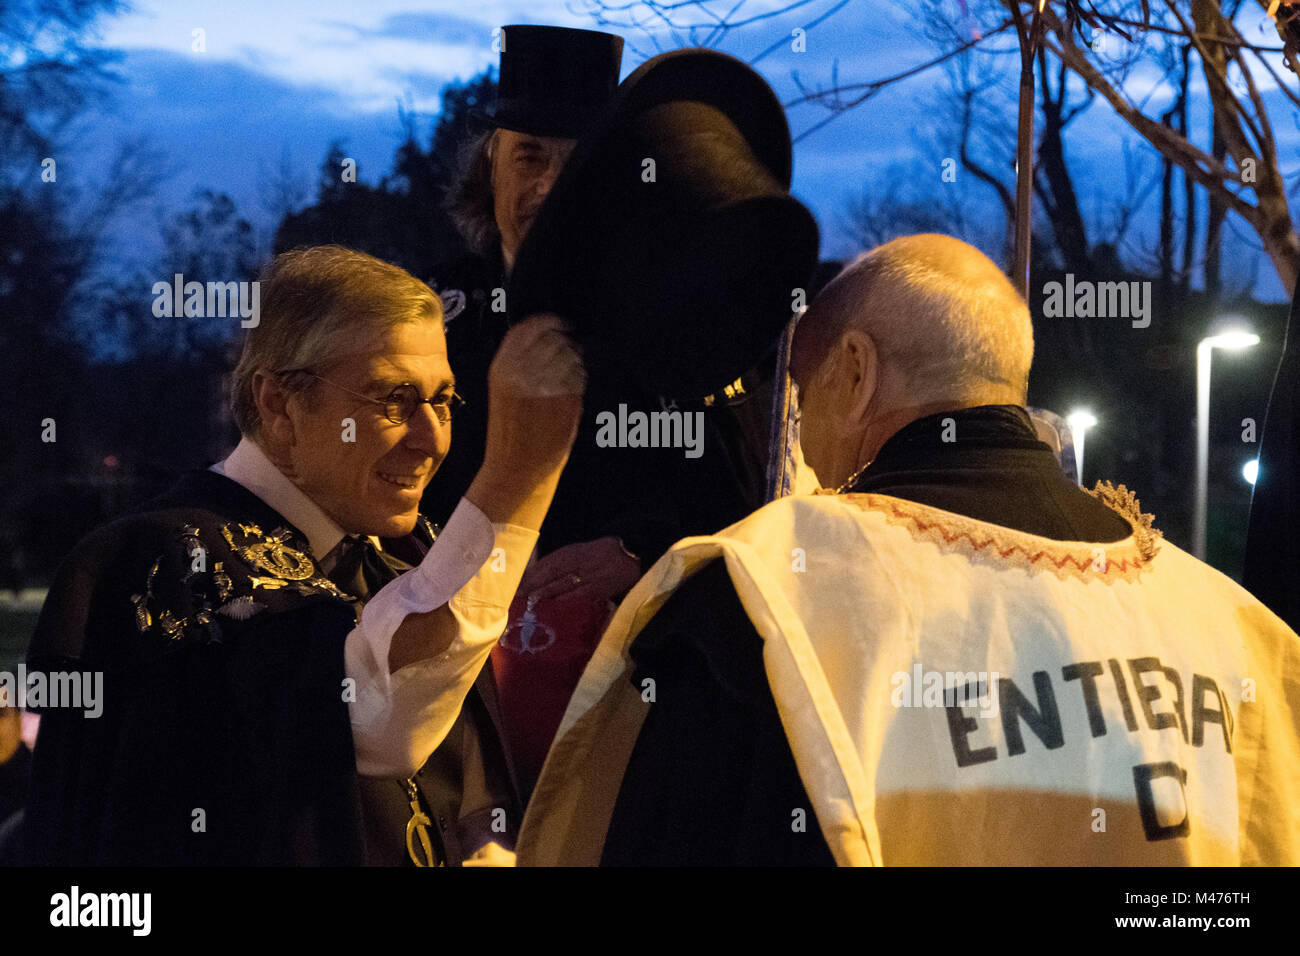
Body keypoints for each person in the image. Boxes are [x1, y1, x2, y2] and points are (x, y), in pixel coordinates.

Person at [516, 234, 1300, 866]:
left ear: (855, 372)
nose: (805, 445)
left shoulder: (764, 597)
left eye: (804, 397)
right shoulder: (1233, 624)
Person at [21, 245, 584, 865]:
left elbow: (473, 810)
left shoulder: (406, 554)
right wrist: (517, 476)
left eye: (444, 400)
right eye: (392, 398)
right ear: (279, 404)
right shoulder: (162, 561)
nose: (432, 440)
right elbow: (370, 722)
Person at [426, 32, 793, 796]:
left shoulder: (691, 324)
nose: (549, 189)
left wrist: (643, 555)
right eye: (529, 157)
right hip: (452, 725)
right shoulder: (429, 324)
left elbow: (763, 517)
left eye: (577, 164)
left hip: (647, 737)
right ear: (490, 161)